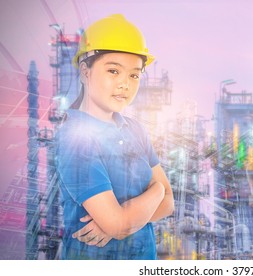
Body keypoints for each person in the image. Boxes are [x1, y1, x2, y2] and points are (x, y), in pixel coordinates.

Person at [55, 14, 174, 260]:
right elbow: (121, 224)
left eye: (134, 75)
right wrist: (158, 189)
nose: (125, 84)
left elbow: (169, 204)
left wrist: (122, 223)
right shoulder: (76, 139)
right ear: (85, 72)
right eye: (113, 71)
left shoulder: (135, 130)